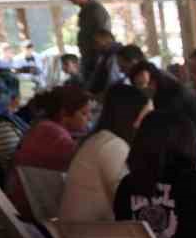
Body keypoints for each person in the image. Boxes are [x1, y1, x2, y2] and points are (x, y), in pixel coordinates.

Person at [60, 83, 150, 223]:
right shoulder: (112, 146)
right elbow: (131, 204)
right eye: (147, 117)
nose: (152, 123)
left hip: (82, 235)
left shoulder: (103, 140)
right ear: (131, 117)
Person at [5, 84, 92, 216]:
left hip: (24, 206)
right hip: (33, 214)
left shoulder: (44, 127)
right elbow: (86, 161)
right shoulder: (53, 135)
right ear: (64, 114)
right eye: (84, 113)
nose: (89, 118)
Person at [129, 58, 196, 132]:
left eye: (143, 84)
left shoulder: (174, 96)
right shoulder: (159, 94)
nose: (143, 90)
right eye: (138, 86)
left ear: (155, 79)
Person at [63, 0, 111, 85]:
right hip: (91, 61)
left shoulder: (95, 10)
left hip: (96, 62)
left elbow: (103, 38)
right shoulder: (87, 10)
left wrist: (97, 61)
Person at [84, 30, 126, 94]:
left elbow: (113, 81)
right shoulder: (104, 55)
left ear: (107, 40)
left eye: (96, 42)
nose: (94, 46)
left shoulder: (114, 56)